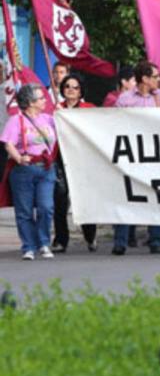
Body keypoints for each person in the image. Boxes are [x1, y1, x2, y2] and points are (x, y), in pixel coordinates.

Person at [113, 60, 160, 255]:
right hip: (132, 154)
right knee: (126, 197)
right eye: (155, 77)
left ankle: (155, 239)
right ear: (144, 79)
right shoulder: (125, 99)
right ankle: (120, 241)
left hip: (154, 154)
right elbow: (114, 125)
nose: (159, 80)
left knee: (156, 196)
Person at [3, 84, 58, 260]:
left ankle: (43, 242)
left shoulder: (48, 119)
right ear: (31, 102)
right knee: (24, 210)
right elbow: (8, 143)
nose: (44, 101)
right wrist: (18, 158)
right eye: (41, 98)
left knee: (46, 207)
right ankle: (29, 246)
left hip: (46, 168)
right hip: (24, 170)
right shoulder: (16, 120)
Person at [52, 75, 97, 253]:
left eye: (75, 87)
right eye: (67, 86)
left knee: (84, 201)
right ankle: (61, 240)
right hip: (61, 160)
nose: (71, 90)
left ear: (81, 91)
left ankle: (90, 236)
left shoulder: (89, 109)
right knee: (60, 202)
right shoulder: (56, 109)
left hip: (82, 161)